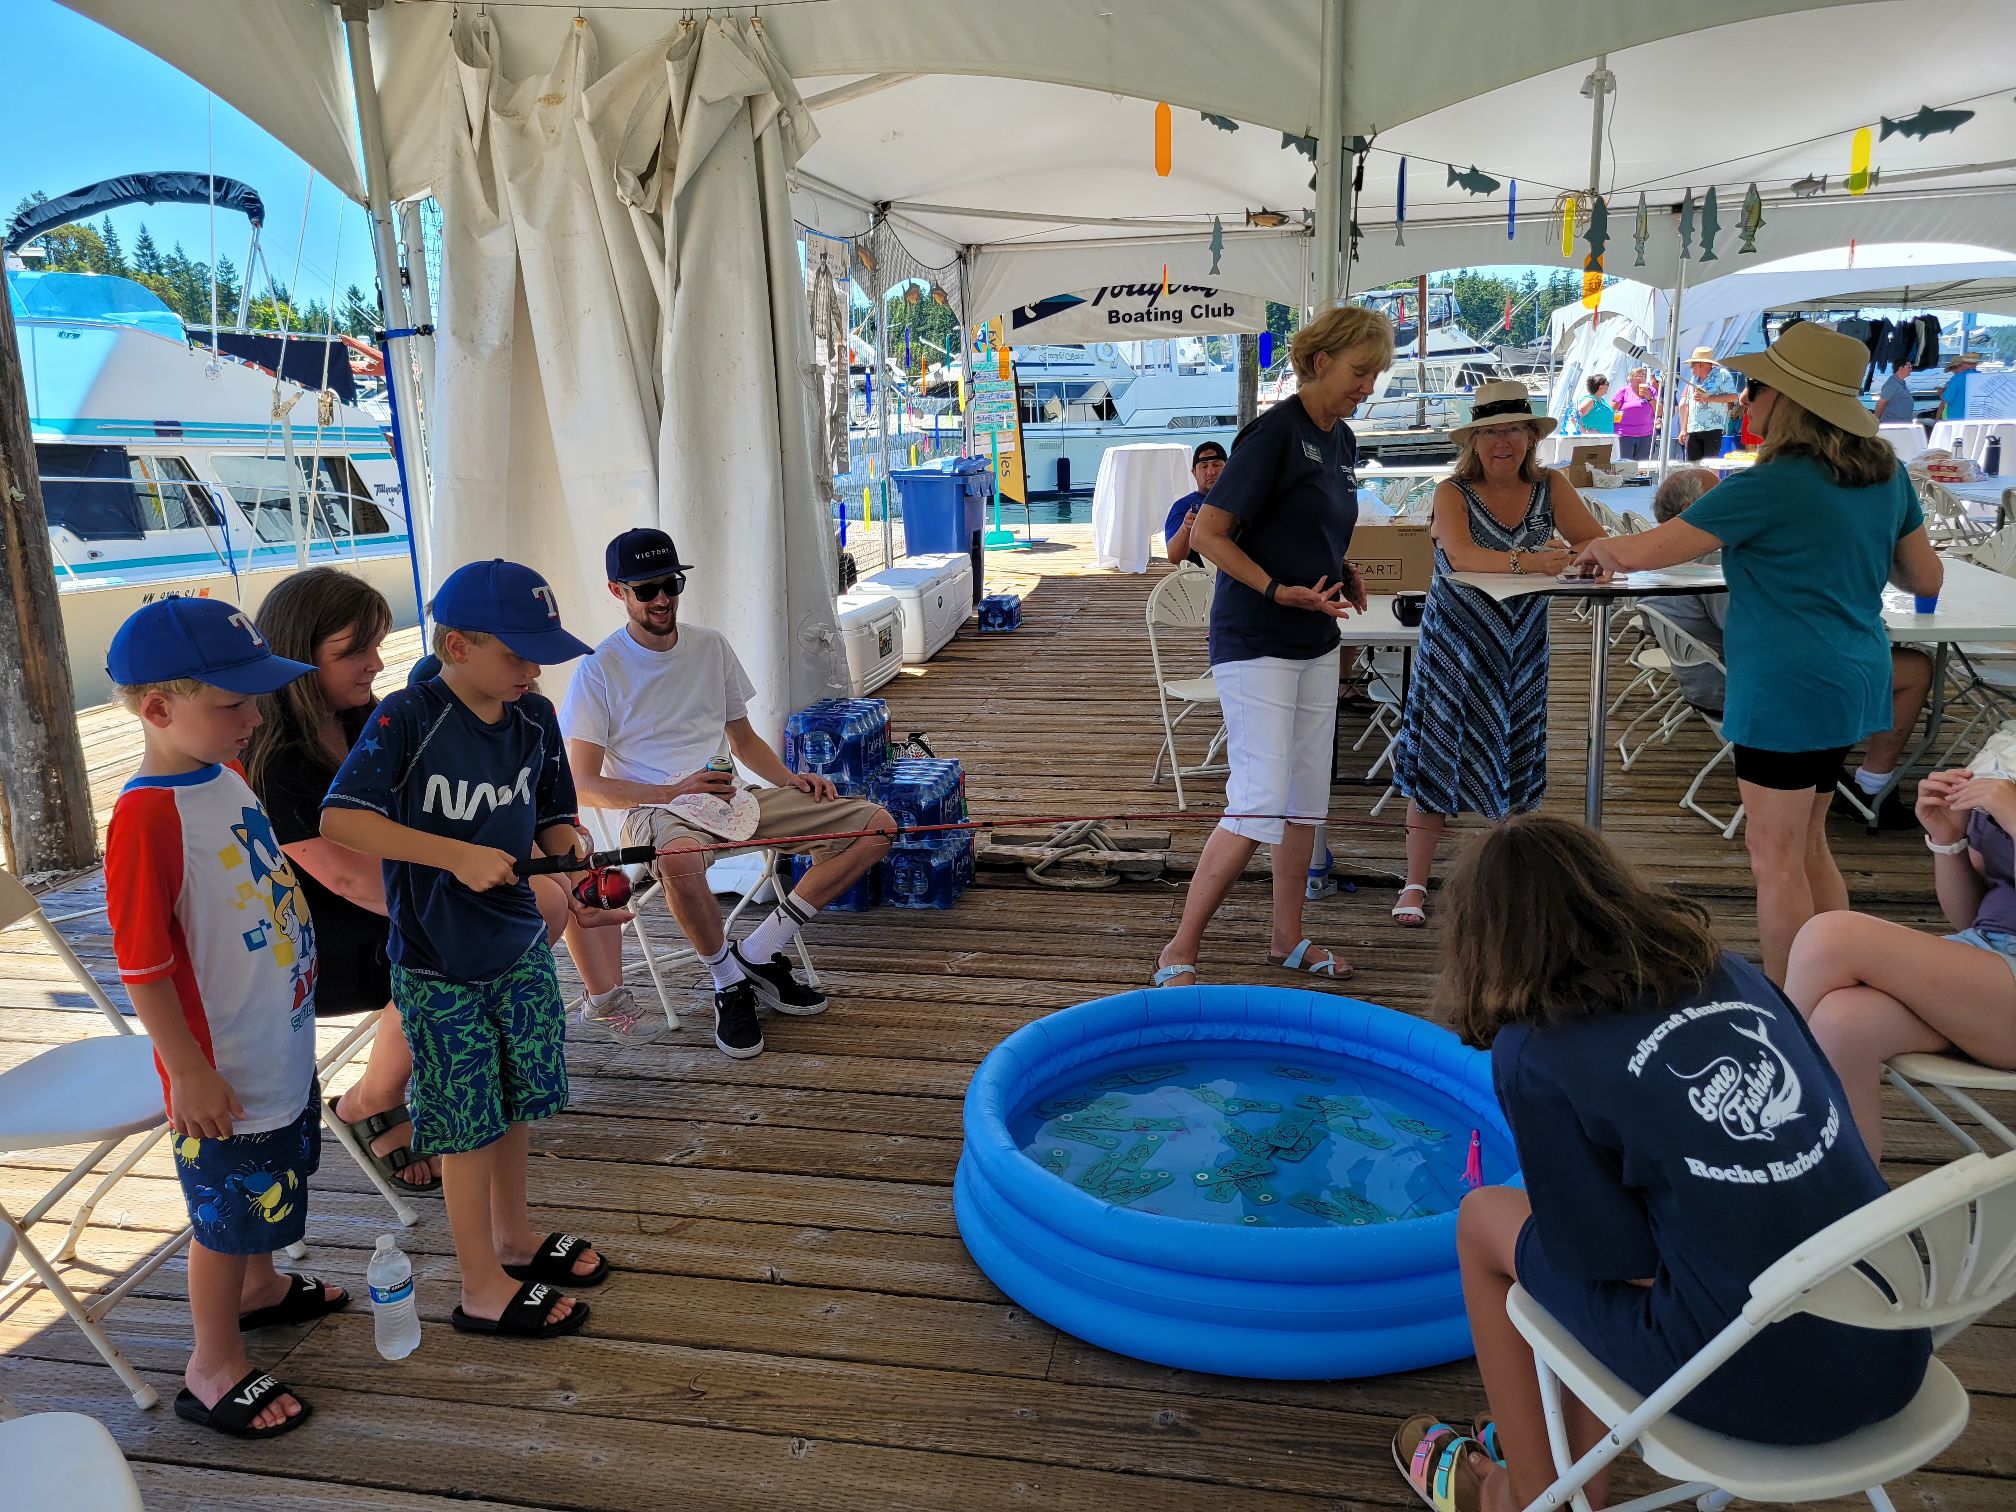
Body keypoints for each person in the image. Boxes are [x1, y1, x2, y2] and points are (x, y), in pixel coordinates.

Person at [1395, 815, 1929, 1511]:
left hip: (1759, 1387)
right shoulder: (1734, 973)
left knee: (1483, 1221)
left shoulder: (1535, 1052)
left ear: (1482, 943)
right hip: (1895, 1342)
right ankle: (1553, 1454)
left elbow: (1604, 1262)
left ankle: (1529, 1491)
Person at [248, 571, 636, 1194]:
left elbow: (498, 817)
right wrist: (481, 898)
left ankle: (466, 1078)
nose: (378, 664)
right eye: (354, 651)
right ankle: (374, 1096)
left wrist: (573, 879)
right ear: (298, 652)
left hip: (412, 892)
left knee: (537, 905)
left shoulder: (371, 717)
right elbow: (349, 877)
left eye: (378, 646)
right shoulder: (277, 757)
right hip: (324, 938)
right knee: (518, 918)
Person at [1577, 323, 1944, 982]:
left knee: (1773, 857)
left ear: (1788, 400)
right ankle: (1836, 980)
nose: (1745, 399)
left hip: (1784, 686)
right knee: (1809, 845)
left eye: (1755, 387)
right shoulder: (1886, 477)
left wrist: (1598, 548)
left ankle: (1794, 1001)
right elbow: (1926, 577)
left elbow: (1650, 550)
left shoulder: (1767, 485)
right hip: (1854, 673)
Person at [323, 559, 607, 1342]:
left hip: (519, 948)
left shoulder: (534, 717)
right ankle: (480, 1284)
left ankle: (514, 1239)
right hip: (437, 964)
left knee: (514, 1103)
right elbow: (342, 819)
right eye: (517, 654)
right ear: (457, 646)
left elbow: (552, 815)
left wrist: (572, 857)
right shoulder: (408, 717)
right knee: (466, 1122)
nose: (533, 670)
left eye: (540, 654)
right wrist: (453, 855)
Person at [103, 597, 336, 1439]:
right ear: (159, 708)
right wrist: (188, 1070)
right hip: (222, 1068)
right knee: (227, 1216)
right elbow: (143, 965)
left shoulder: (224, 775)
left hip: (276, 1038)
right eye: (233, 704)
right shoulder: (145, 816)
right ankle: (212, 1364)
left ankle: (261, 1288)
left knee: (276, 1177)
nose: (255, 719)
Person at [561, 529, 893, 1060]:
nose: (662, 599)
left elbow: (743, 739)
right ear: (616, 591)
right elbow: (584, 784)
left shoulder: (710, 645)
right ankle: (726, 981)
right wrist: (673, 790)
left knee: (875, 828)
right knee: (680, 857)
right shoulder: (599, 668)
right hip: (654, 809)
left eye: (671, 584)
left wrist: (789, 779)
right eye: (646, 590)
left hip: (731, 797)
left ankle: (758, 951)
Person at [1152, 304, 1393, 988]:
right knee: (1258, 796)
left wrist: (1340, 567)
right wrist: (1276, 590)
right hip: (1256, 637)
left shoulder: (1341, 439)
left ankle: (1287, 937)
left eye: (1376, 374)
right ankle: (1178, 948)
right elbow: (1208, 536)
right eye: (1359, 371)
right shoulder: (1273, 434)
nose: (1368, 386)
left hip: (1317, 639)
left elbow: (1313, 524)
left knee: (1305, 795)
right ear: (1319, 362)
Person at [1388, 381, 1608, 926]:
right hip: (1455, 650)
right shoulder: (1451, 491)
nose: (1501, 442)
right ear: (1474, 441)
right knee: (1436, 760)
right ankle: (1414, 883)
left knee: (1515, 761)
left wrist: (1567, 553)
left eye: (1512, 430)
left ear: (1531, 436)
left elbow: (1594, 540)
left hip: (1521, 650)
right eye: (1489, 432)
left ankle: (1509, 887)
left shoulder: (1552, 486)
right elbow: (1462, 555)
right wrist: (1533, 560)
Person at [1643, 471, 1935, 829]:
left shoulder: (1663, 556)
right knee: (1916, 668)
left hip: (1700, 679)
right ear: (1694, 507)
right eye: (1719, 494)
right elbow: (1754, 627)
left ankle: (1841, 767)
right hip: (1746, 691)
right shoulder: (1712, 560)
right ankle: (1872, 786)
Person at [1785, 766, 2016, 1160]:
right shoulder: (2003, 762)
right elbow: (1972, 917)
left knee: (1831, 936)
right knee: (1842, 1022)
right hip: (1986, 966)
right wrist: (1948, 840)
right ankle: (1849, 1191)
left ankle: (1768, 1126)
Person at [1162, 440, 1227, 566]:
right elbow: (1174, 557)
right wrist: (1185, 528)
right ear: (1194, 472)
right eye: (1204, 466)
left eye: (1216, 465)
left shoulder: (1240, 501)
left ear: (1228, 469)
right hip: (1203, 575)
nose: (1211, 472)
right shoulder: (1184, 506)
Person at [1681, 346, 1741, 462]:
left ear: (1702, 364)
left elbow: (1733, 396)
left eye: (1693, 364)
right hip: (1693, 429)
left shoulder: (1722, 375)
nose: (1690, 367)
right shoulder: (1693, 379)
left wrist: (1708, 398)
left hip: (1712, 429)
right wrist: (1684, 429)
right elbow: (1689, 404)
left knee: (1710, 466)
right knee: (1691, 467)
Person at [1612, 366, 1660, 461]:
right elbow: (1612, 411)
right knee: (1625, 464)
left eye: (1642, 376)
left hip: (1646, 435)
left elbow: (1659, 411)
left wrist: (1649, 397)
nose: (1640, 378)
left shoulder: (1651, 391)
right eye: (1636, 376)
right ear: (1630, 379)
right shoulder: (1623, 391)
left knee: (1642, 465)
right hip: (1625, 435)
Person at [1876, 360, 1915, 425]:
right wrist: (1876, 420)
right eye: (1909, 367)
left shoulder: (1900, 383)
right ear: (1900, 368)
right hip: (1892, 424)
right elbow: (1881, 403)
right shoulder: (1891, 383)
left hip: (1901, 424)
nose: (1911, 369)